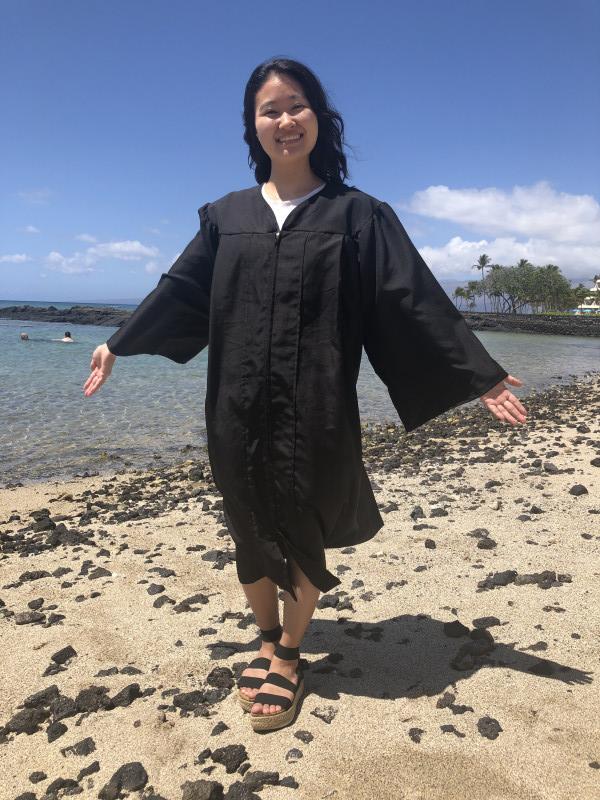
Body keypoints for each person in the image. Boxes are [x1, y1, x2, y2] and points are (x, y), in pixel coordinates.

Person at [82, 56, 528, 732]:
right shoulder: (224, 216)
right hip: (235, 407)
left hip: (319, 406)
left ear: (319, 116)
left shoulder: (358, 217)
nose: (284, 119)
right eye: (270, 109)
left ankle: (290, 652)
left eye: (296, 105)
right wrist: (118, 342)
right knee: (248, 522)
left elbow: (411, 299)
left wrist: (477, 371)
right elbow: (180, 290)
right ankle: (265, 637)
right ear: (253, 127)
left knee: (307, 521)